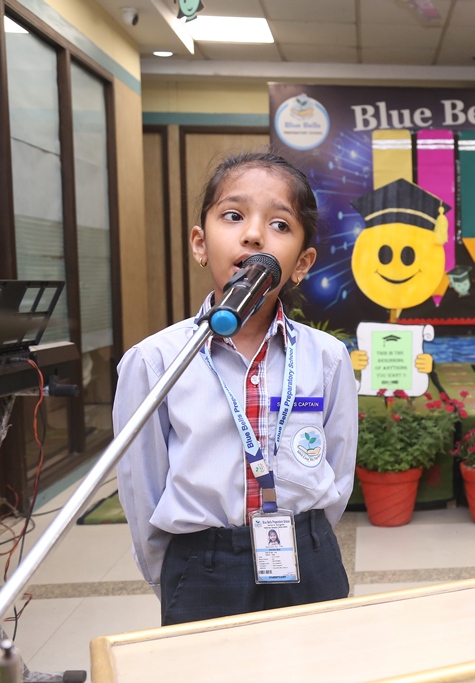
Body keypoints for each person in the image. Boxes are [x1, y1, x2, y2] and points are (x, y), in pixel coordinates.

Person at [114, 151, 357, 626]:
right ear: (200, 244)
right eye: (233, 215)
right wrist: (178, 577)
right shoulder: (156, 360)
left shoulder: (327, 358)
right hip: (202, 564)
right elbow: (141, 486)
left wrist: (309, 539)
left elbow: (340, 468)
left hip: (307, 554)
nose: (253, 234)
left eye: (280, 224)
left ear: (302, 263)